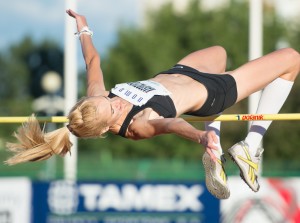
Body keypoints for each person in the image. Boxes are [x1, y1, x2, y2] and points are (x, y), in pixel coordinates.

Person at [5, 9, 300, 200]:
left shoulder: (98, 101)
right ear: (108, 127)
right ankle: (250, 146)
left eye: (108, 99)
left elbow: (92, 60)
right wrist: (201, 136)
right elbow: (170, 124)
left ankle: (218, 155)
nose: (116, 101)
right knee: (290, 59)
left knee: (219, 54)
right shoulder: (138, 125)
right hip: (212, 93)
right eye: (114, 109)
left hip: (181, 72)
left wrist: (83, 29)